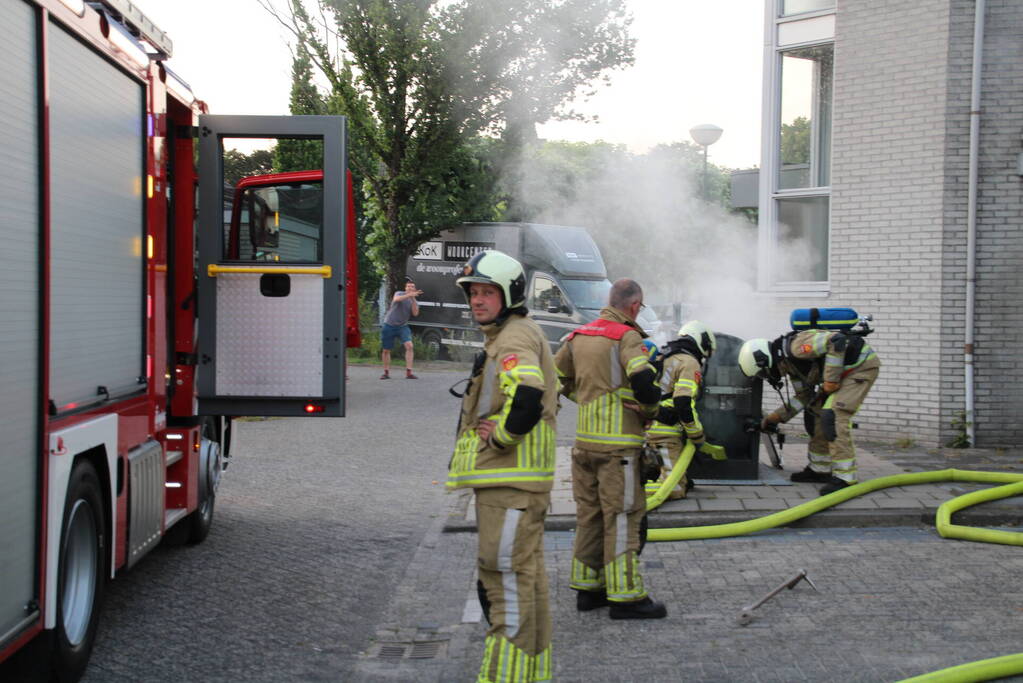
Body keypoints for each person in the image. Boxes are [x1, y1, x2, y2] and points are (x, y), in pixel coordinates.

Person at [446, 250, 558, 682]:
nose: (477, 300)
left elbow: (528, 394)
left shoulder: (512, 337)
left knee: (504, 583)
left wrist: (501, 437)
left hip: (509, 483)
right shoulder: (514, 332)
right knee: (526, 580)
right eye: (473, 292)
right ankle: (532, 674)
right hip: (517, 485)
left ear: (509, 295)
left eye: (487, 292)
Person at [554, 278, 668, 620]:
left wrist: (586, 400)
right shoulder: (626, 336)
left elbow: (556, 379)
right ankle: (625, 596)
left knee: (589, 516)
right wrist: (649, 410)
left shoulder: (578, 336)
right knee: (622, 517)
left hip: (584, 446)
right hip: (618, 450)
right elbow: (644, 381)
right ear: (634, 305)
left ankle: (589, 590)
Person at [737, 329, 881, 496]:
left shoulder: (797, 347)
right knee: (817, 415)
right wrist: (772, 419)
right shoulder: (792, 367)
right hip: (843, 374)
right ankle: (820, 470)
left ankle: (846, 478)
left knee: (833, 416)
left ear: (764, 361)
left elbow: (836, 341)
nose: (768, 376)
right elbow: (803, 397)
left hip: (860, 368)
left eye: (763, 373)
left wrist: (830, 380)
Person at [644, 321, 717, 499]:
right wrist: (697, 435)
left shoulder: (666, 355)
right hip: (664, 432)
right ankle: (628, 494)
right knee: (674, 489)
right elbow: (683, 402)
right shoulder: (689, 362)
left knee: (679, 481)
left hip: (650, 425)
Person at [380, 278, 420, 379]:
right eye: (408, 286)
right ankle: (386, 373)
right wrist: (409, 295)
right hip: (389, 325)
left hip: (402, 326)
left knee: (410, 346)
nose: (410, 288)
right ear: (405, 288)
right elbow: (396, 300)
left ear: (415, 289)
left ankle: (409, 372)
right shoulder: (399, 293)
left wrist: (413, 299)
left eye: (412, 287)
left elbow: (415, 313)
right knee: (386, 350)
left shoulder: (414, 301)